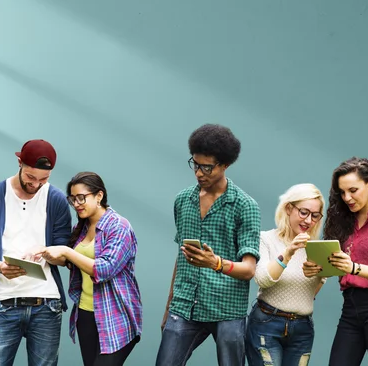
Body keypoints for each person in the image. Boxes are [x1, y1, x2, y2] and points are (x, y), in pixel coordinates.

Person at [155, 124, 261, 366]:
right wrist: (170, 305)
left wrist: (216, 263)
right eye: (195, 164)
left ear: (225, 165)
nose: (199, 173)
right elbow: (181, 257)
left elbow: (249, 270)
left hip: (227, 309)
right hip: (185, 305)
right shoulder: (183, 200)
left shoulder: (245, 206)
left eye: (207, 167)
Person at [0, 139, 72, 366]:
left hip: (47, 304)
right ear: (19, 162)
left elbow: (65, 254)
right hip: (4, 303)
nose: (36, 184)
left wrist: (45, 252)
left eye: (43, 179)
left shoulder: (55, 200)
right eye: (30, 177)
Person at [304, 157, 368, 366]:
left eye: (353, 190)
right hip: (350, 308)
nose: (347, 198)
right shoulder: (342, 221)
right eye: (342, 192)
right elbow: (334, 266)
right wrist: (316, 269)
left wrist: (353, 267)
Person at [34, 172, 142, 366]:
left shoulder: (119, 227)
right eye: (73, 199)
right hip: (85, 314)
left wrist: (66, 251)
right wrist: (51, 256)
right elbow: (74, 263)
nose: (76, 204)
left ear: (99, 196)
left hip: (115, 316)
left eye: (81, 198)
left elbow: (105, 268)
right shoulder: (81, 228)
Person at [246, 183, 326, 366]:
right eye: (304, 212)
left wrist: (321, 273)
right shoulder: (265, 239)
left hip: (302, 328)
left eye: (315, 216)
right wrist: (288, 253)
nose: (308, 221)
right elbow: (263, 280)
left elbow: (311, 293)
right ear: (289, 208)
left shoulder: (317, 248)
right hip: (266, 324)